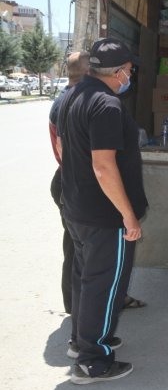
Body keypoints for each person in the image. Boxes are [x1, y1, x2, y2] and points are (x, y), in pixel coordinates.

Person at [56, 38, 148, 384]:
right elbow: (104, 167)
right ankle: (94, 359)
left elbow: (64, 148)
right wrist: (127, 214)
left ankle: (80, 342)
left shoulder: (72, 95)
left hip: (78, 207)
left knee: (86, 278)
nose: (130, 75)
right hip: (105, 215)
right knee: (105, 285)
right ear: (119, 71)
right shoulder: (106, 105)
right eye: (129, 70)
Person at [48, 51, 89, 315]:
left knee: (76, 246)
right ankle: (76, 308)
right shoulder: (72, 102)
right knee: (77, 249)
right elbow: (68, 148)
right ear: (88, 73)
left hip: (65, 178)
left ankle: (79, 305)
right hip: (71, 180)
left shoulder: (65, 98)